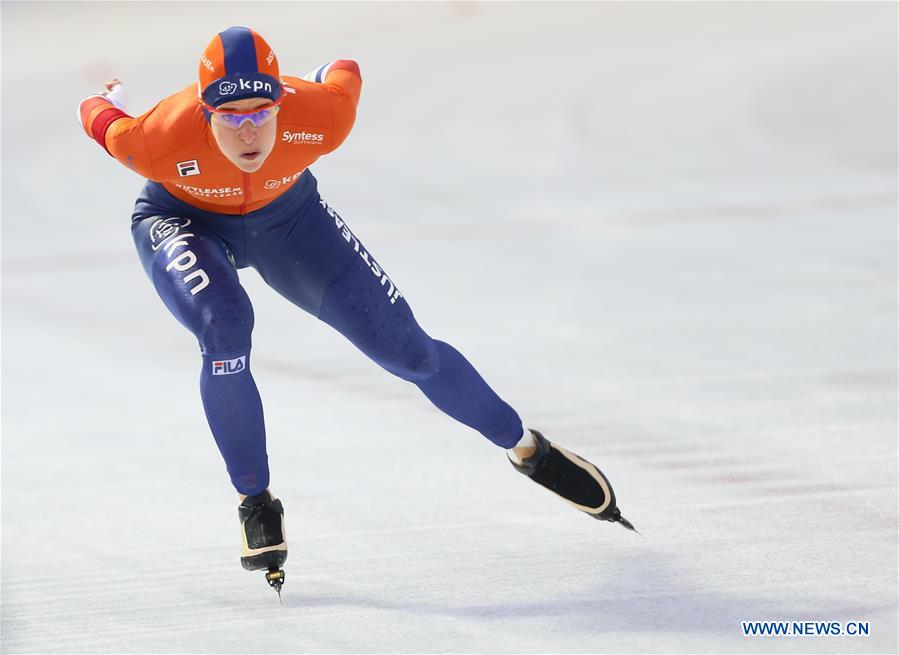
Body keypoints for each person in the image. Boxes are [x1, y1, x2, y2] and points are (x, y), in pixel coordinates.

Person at [78, 26, 634, 593]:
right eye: (230, 116)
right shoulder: (153, 139)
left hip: (288, 221)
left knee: (409, 352)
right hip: (183, 219)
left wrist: (318, 78)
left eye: (261, 112)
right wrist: (111, 102)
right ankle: (255, 500)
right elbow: (96, 115)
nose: (248, 132)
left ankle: (527, 450)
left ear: (282, 101)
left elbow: (346, 67)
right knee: (225, 330)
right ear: (204, 111)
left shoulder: (323, 116)